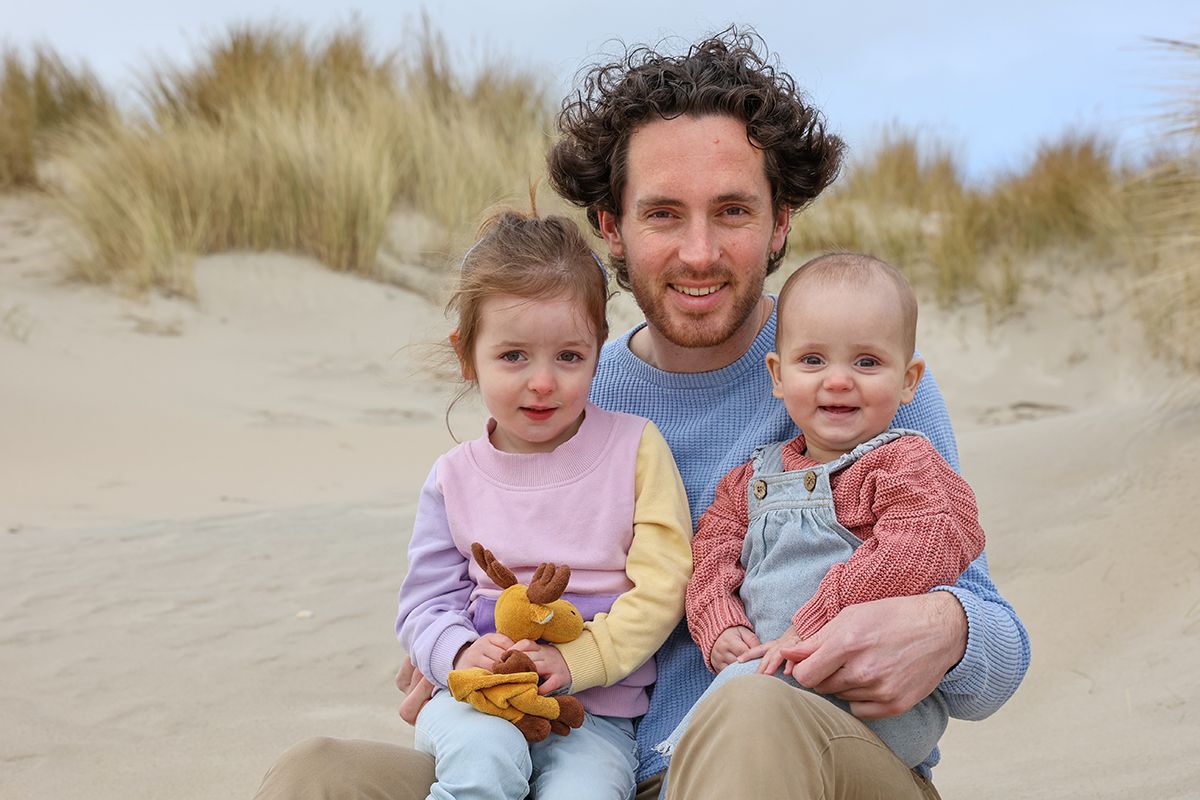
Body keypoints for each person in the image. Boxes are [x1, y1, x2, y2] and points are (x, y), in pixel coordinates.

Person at [251, 27, 1029, 800]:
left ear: (780, 222)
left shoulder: (860, 383)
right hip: (588, 762)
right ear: (612, 227)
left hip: (815, 764)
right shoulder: (567, 392)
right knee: (318, 776)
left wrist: (949, 629)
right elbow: (465, 588)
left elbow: (998, 658)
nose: (699, 252)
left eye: (731, 211)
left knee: (752, 708)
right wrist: (460, 651)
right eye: (663, 215)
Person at [393, 208, 692, 800]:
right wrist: (459, 649)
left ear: (598, 350)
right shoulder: (453, 478)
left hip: (595, 713)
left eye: (569, 357)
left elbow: (663, 585)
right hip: (476, 699)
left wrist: (578, 660)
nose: (542, 382)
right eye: (513, 357)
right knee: (484, 764)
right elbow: (424, 604)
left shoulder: (635, 449)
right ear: (466, 355)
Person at [657, 252, 985, 774]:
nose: (837, 381)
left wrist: (816, 624)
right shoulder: (749, 481)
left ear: (908, 379)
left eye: (867, 362)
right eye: (813, 361)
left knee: (741, 712)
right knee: (742, 715)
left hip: (867, 711)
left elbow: (923, 544)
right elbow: (710, 556)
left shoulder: (903, 464)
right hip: (769, 683)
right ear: (778, 375)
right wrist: (718, 623)